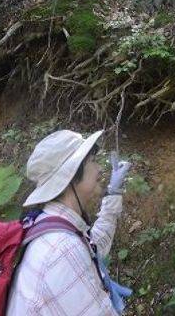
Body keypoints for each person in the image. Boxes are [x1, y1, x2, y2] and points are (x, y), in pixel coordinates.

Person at [7, 129, 132, 315]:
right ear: (72, 174)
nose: (99, 169)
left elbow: (94, 247)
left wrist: (113, 192)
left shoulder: (51, 224)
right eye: (92, 161)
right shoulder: (62, 249)